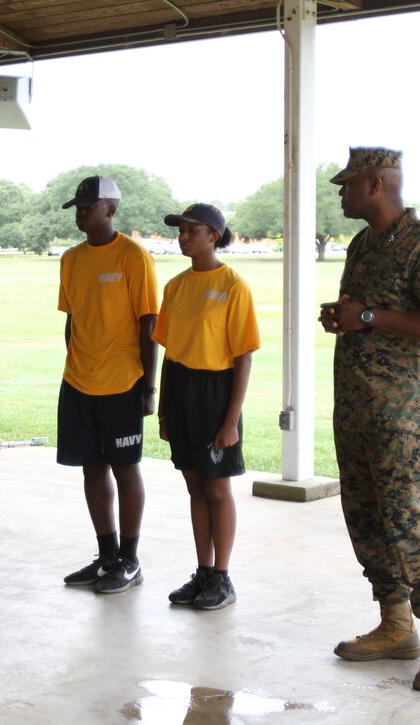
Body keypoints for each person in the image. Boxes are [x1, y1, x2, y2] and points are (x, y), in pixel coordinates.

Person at [318, 148, 420, 691]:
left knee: (405, 516)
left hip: (399, 405)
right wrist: (346, 318)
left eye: (348, 184)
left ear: (376, 182)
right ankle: (395, 625)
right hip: (355, 402)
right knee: (364, 512)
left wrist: (369, 316)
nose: (341, 193)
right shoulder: (362, 244)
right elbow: (366, 316)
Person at [154, 203, 259, 610]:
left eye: (191, 231)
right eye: (180, 231)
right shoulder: (176, 286)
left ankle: (222, 576)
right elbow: (169, 352)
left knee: (217, 487)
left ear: (213, 236)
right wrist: (164, 410)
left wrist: (230, 420)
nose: (182, 237)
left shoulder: (233, 286)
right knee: (194, 484)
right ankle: (202, 572)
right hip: (180, 389)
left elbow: (243, 356)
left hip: (216, 392)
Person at [57, 175, 159, 594]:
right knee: (91, 467)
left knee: (124, 468)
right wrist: (73, 364)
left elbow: (148, 322)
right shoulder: (71, 258)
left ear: (111, 210)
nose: (81, 212)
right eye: (78, 206)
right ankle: (107, 556)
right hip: (78, 381)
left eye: (89, 205)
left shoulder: (133, 257)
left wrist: (148, 387)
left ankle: (130, 560)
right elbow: (72, 319)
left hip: (122, 382)